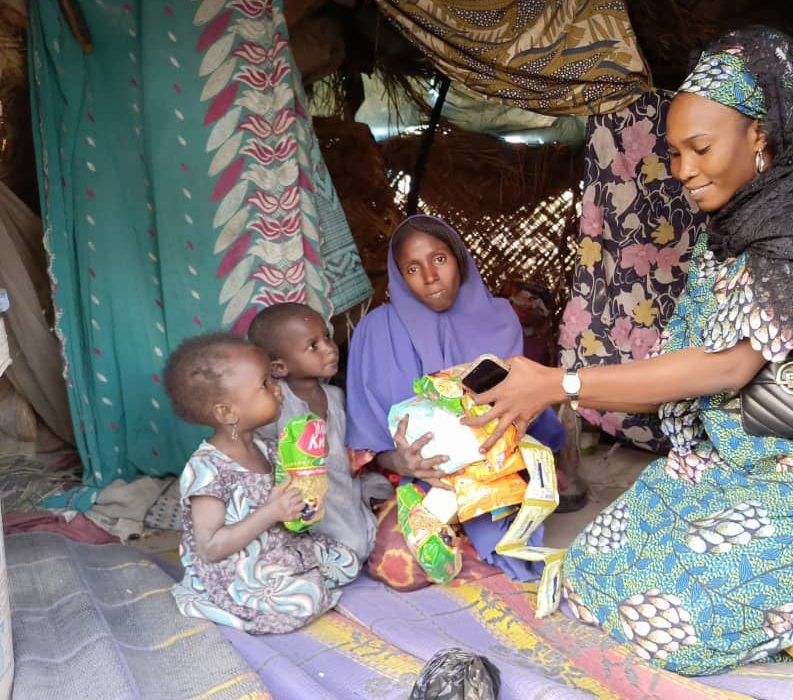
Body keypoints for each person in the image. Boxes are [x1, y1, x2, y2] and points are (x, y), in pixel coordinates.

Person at [464, 26, 793, 674]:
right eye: (674, 152)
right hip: (758, 454)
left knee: (672, 629)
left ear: (760, 135)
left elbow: (726, 366)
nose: (684, 170)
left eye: (700, 147)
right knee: (592, 572)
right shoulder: (739, 222)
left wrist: (561, 384)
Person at [346, 214, 568, 582]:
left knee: (502, 523)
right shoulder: (376, 331)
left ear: (459, 259)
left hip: (493, 472)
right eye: (413, 268)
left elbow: (515, 410)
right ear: (399, 277)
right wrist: (404, 462)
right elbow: (366, 441)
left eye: (439, 259)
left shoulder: (498, 318)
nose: (430, 278)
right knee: (397, 563)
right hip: (418, 480)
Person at [164, 333, 360, 634]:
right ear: (227, 412)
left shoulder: (266, 447)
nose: (278, 389)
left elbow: (290, 505)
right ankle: (236, 598)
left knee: (346, 560)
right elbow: (211, 548)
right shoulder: (208, 468)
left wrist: (303, 497)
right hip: (237, 568)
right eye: (265, 384)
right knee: (305, 600)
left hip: (276, 547)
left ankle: (298, 574)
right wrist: (271, 512)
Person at [247, 302, 392, 563]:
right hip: (303, 497)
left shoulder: (336, 396)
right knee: (348, 544)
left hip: (343, 487)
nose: (329, 348)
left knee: (383, 497)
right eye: (313, 346)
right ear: (279, 367)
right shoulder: (276, 404)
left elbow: (350, 449)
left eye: (326, 337)